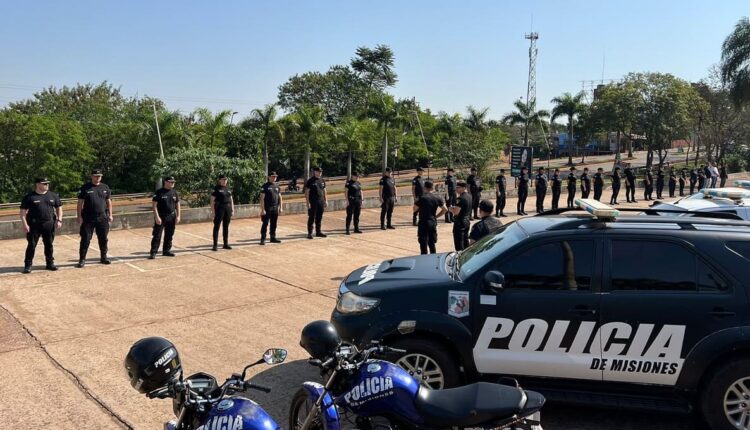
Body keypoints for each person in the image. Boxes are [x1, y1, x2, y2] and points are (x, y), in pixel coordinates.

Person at [20, 177, 62, 273]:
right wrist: (25, 224)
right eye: (44, 183)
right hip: (34, 225)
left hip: (49, 224)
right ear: (37, 184)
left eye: (47, 183)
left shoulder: (53, 196)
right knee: (32, 245)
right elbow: (22, 212)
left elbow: (59, 208)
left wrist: (59, 220)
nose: (46, 185)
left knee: (49, 244)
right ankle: (28, 265)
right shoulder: (29, 197)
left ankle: (50, 263)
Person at [77, 169, 113, 268]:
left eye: (99, 176)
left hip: (102, 217)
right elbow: (80, 203)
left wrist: (110, 214)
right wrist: (79, 216)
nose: (98, 178)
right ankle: (82, 259)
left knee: (103, 239)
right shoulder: (85, 187)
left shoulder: (105, 187)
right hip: (88, 218)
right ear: (92, 176)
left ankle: (103, 257)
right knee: (85, 239)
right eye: (96, 176)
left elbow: (109, 202)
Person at [149, 176, 180, 259]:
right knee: (157, 235)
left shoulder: (174, 192)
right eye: (171, 182)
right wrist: (157, 217)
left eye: (173, 182)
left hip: (171, 216)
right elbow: (154, 205)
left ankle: (166, 250)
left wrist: (178, 216)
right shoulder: (159, 192)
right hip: (161, 216)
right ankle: (153, 252)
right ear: (165, 182)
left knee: (169, 234)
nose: (173, 183)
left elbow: (177, 204)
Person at [413, 180, 447, 254]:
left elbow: (414, 209)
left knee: (423, 244)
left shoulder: (421, 198)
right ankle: (433, 258)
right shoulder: (438, 198)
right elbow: (445, 209)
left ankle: (424, 259)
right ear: (432, 188)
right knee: (432, 243)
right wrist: (436, 216)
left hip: (423, 222)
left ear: (424, 187)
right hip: (432, 221)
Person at [210, 174, 234, 251]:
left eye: (226, 180)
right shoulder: (216, 188)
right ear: (219, 180)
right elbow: (212, 201)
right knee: (217, 226)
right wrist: (213, 212)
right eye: (223, 180)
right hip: (219, 208)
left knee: (226, 226)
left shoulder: (228, 188)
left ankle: (225, 244)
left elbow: (231, 199)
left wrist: (232, 209)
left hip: (227, 208)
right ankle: (215, 245)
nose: (224, 181)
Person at [260, 171, 283, 245]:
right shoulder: (265, 186)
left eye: (275, 176)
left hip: (275, 208)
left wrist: (280, 207)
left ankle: (272, 237)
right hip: (267, 208)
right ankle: (263, 239)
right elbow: (262, 198)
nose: (274, 178)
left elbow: (280, 197)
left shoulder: (277, 186)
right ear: (269, 177)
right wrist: (263, 209)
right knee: (265, 223)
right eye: (273, 176)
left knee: (274, 223)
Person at [305, 166, 327, 239]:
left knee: (319, 217)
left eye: (320, 172)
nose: (320, 173)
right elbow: (307, 192)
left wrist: (325, 200)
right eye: (318, 171)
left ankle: (318, 232)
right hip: (313, 201)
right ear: (314, 172)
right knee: (311, 217)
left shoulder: (322, 180)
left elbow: (324, 191)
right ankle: (310, 233)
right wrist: (308, 203)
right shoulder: (310, 181)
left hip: (321, 201)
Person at [451, 181, 472, 251]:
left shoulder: (460, 198)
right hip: (466, 220)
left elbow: (456, 212)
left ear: (464, 188)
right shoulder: (469, 196)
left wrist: (450, 209)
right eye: (456, 187)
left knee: (459, 243)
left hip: (460, 222)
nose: (456, 189)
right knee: (465, 241)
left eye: (458, 187)